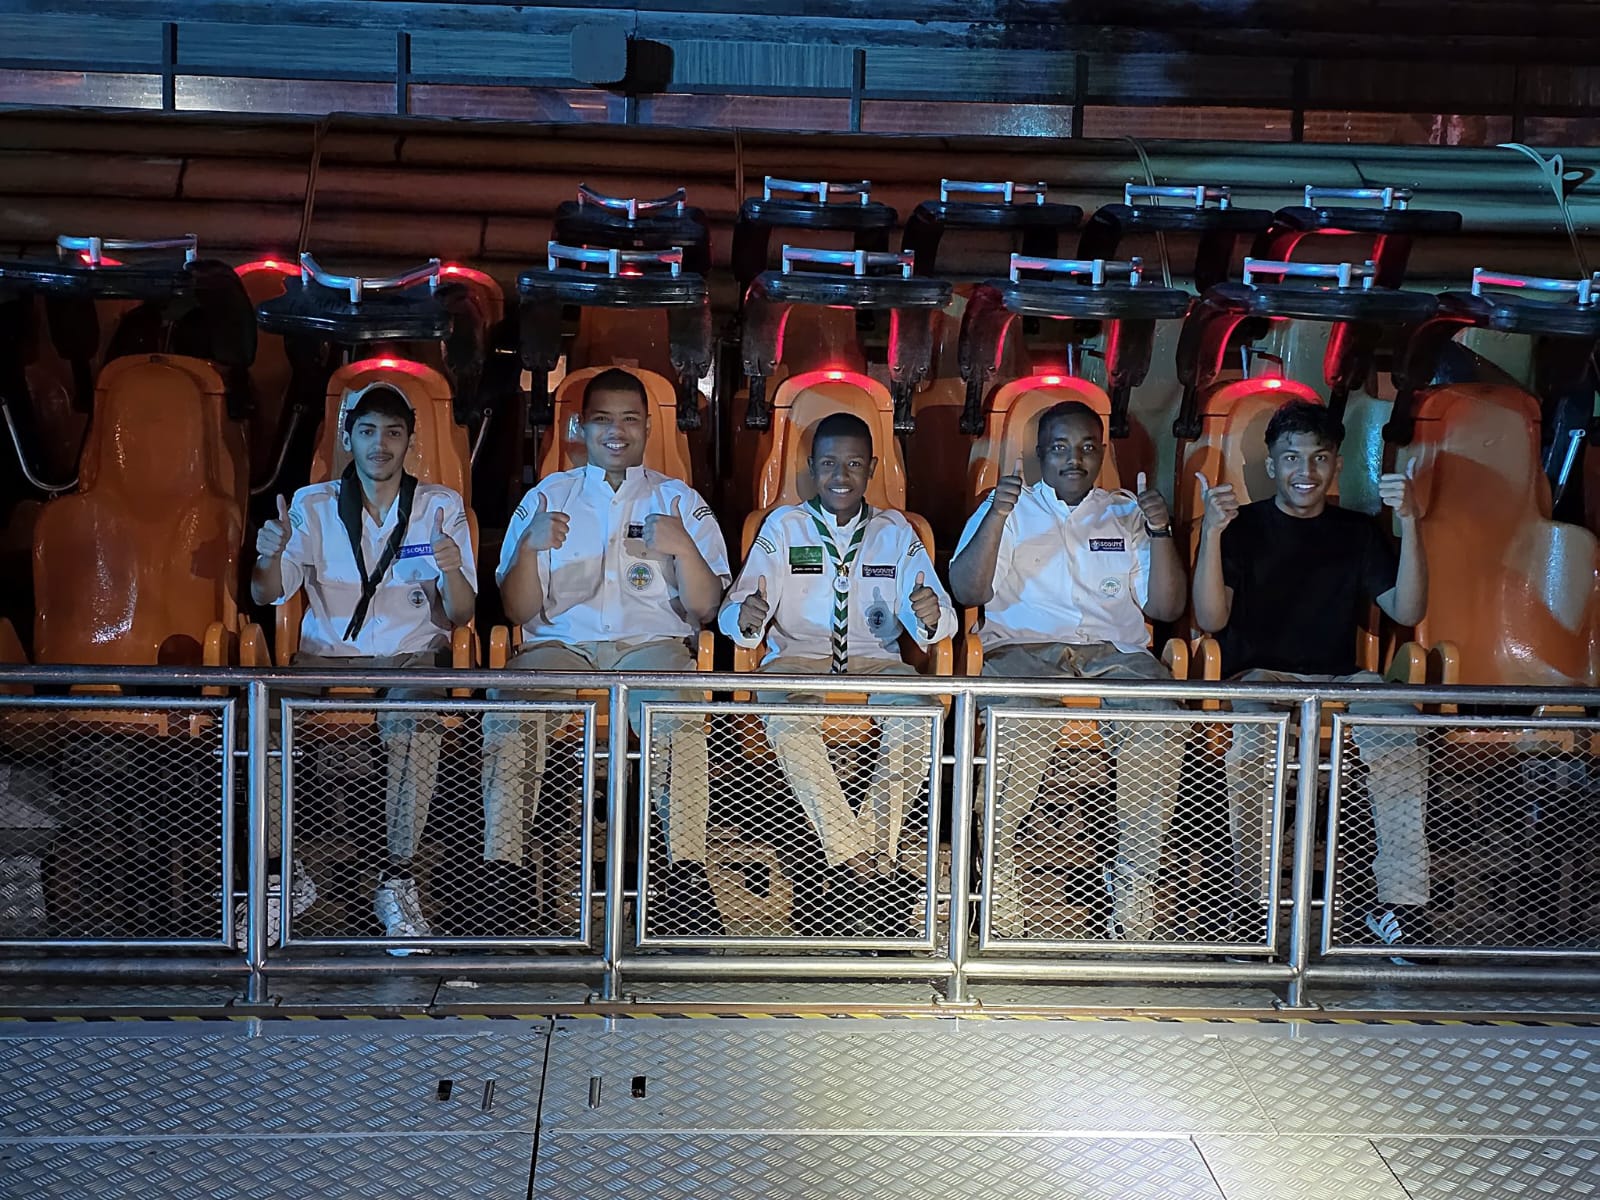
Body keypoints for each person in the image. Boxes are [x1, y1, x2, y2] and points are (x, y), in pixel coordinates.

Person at [492, 368, 730, 936]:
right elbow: (517, 612)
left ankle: (684, 880)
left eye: (629, 420)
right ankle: (504, 876)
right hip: (561, 647)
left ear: (648, 426)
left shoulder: (679, 500)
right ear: (580, 427)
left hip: (650, 647)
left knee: (677, 713)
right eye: (602, 420)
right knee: (510, 707)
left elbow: (707, 607)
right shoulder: (547, 497)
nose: (616, 431)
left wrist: (683, 548)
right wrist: (528, 550)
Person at [1192, 398, 1429, 955]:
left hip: (1340, 679)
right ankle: (1250, 903)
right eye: (1292, 457)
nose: (1306, 471)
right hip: (1261, 676)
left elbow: (1408, 609)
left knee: (1400, 730)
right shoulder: (1242, 527)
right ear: (1272, 465)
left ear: (1336, 465)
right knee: (1255, 744)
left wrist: (1411, 522)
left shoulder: (1357, 531)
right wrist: (1212, 535)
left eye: (1319, 458)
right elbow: (1210, 619)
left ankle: (1400, 904)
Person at [948, 401, 1187, 941]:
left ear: (1102, 454)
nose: (1073, 459)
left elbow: (1166, 608)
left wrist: (1161, 530)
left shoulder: (1126, 512)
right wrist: (996, 516)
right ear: (1039, 454)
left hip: (1115, 655)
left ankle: (1132, 889)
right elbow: (967, 591)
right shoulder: (1007, 506)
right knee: (1018, 720)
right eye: (1059, 448)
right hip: (1023, 652)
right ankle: (996, 876)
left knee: (1159, 720)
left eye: (1086, 448)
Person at [250, 382, 476, 953]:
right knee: (259, 719)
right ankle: (281, 874)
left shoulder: (441, 506)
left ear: (410, 442)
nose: (381, 444)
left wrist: (451, 568)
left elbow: (462, 613)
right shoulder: (311, 505)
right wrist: (269, 555)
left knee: (415, 725)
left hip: (410, 657)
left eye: (393, 433)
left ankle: (396, 882)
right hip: (324, 659)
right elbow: (267, 593)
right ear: (348, 438)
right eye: (368, 431)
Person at [719, 411, 955, 938]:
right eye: (829, 464)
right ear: (811, 467)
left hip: (876, 660)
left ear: (872, 467)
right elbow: (738, 609)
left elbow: (938, 614)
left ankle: (858, 863)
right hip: (799, 658)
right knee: (786, 715)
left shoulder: (896, 532)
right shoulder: (783, 527)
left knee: (919, 716)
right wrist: (746, 618)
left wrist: (930, 615)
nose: (841, 476)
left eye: (853, 464)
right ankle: (864, 867)